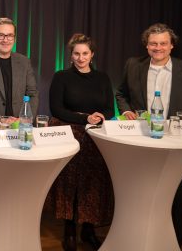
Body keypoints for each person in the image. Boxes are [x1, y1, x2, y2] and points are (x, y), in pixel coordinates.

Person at [116, 23, 182, 246]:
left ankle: (173, 244)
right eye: (153, 43)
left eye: (163, 43)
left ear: (172, 45)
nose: (158, 47)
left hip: (176, 146)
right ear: (146, 45)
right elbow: (121, 93)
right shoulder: (133, 65)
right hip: (142, 143)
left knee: (174, 197)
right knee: (140, 194)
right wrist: (126, 110)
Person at [47, 34, 115, 251]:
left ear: (92, 54)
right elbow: (56, 109)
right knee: (70, 184)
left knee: (93, 184)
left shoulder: (102, 78)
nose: (80, 57)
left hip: (95, 136)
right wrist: (84, 118)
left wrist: (99, 117)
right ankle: (69, 230)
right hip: (69, 134)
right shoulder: (61, 77)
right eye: (76, 53)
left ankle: (88, 229)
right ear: (71, 55)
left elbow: (109, 110)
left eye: (85, 53)